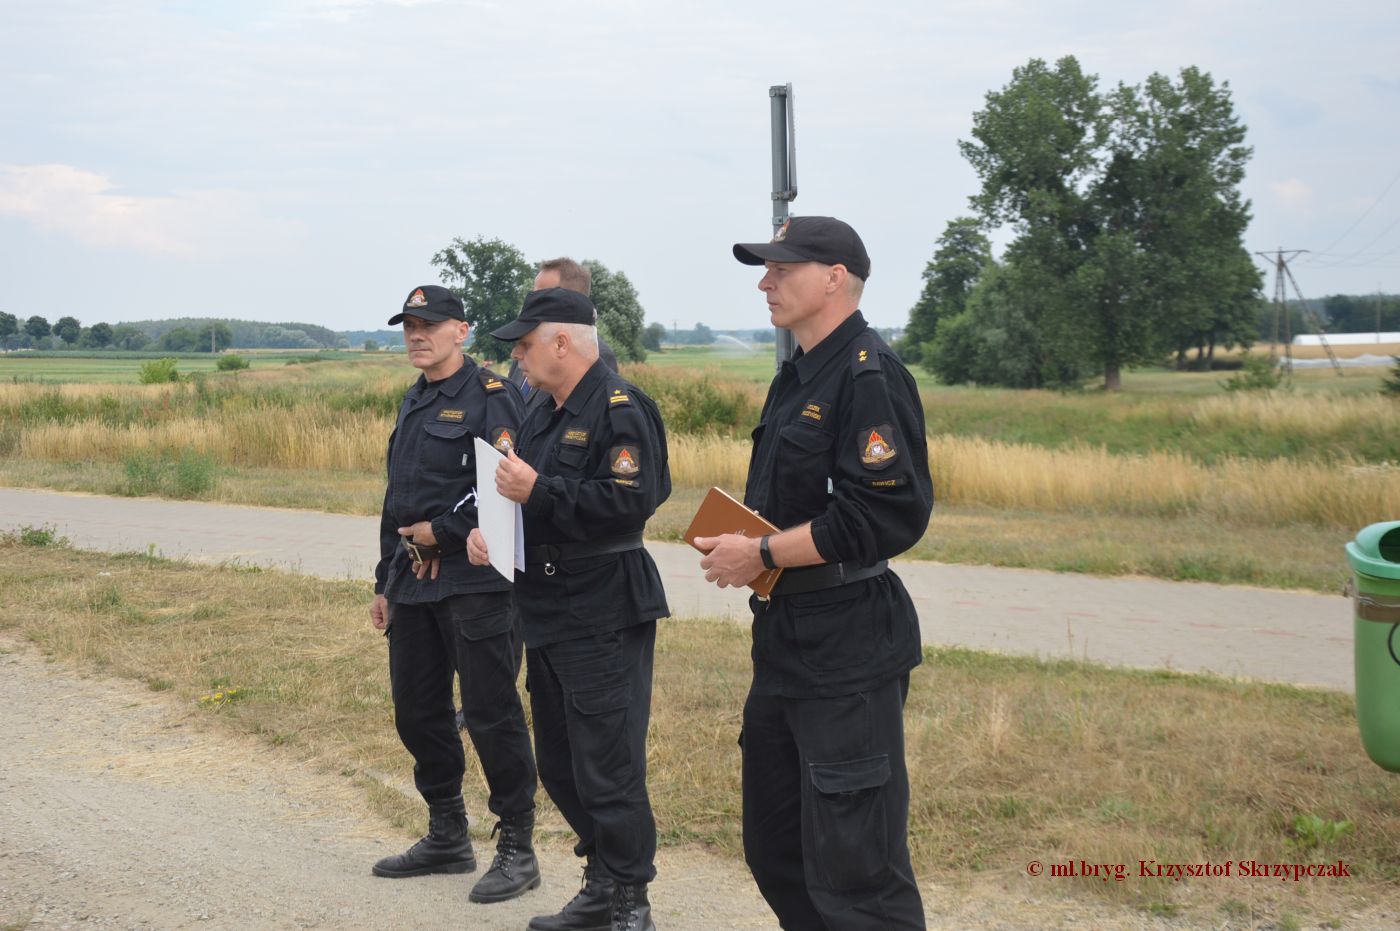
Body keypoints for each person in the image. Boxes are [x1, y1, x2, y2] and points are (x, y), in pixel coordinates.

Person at [694, 216, 933, 931]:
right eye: (764, 270)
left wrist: (761, 554)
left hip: (848, 646)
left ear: (835, 278)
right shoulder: (797, 375)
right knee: (778, 850)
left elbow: (885, 516)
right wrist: (747, 537)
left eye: (781, 269)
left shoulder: (868, 373)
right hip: (787, 642)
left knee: (857, 871)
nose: (765, 282)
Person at [468, 287, 669, 931]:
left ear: (562, 342)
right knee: (558, 760)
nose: (517, 359)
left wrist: (539, 488)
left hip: (603, 602)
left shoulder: (620, 406)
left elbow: (632, 501)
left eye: (525, 345)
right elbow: (527, 501)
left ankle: (628, 901)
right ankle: (602, 877)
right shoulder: (545, 413)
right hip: (548, 604)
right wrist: (491, 533)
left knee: (607, 764)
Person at [368, 283, 541, 905]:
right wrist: (384, 580)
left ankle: (517, 846)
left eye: (430, 324)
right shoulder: (415, 400)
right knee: (417, 710)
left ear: (461, 331)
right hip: (412, 585)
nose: (417, 334)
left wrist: (441, 535)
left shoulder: (492, 396)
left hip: (475, 584)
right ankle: (447, 833)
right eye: (409, 325)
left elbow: (501, 485)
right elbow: (398, 502)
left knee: (492, 713)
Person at [508, 258, 619, 403]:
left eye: (542, 296)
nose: (532, 303)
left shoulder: (597, 355)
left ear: (570, 298)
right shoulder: (526, 351)